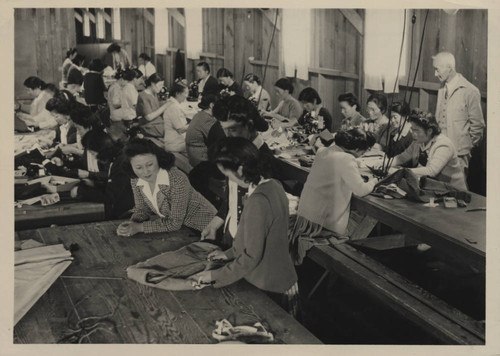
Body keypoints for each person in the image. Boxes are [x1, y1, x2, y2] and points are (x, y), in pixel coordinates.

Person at [189, 137, 300, 318]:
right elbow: (256, 238)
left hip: (269, 284)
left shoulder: (258, 201)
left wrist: (212, 276)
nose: (228, 179)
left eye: (228, 175)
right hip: (279, 276)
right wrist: (229, 254)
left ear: (240, 170)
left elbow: (250, 257)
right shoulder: (273, 185)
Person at [289, 129, 378, 265]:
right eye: (362, 152)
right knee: (362, 220)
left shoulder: (322, 151)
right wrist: (374, 181)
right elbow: (360, 190)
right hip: (322, 225)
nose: (361, 155)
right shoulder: (347, 159)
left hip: (305, 218)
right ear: (355, 149)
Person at [116, 138, 216, 236]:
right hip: (181, 229)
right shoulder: (135, 179)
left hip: (207, 229)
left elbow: (174, 223)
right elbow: (142, 209)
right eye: (139, 167)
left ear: (158, 159)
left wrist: (139, 227)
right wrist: (131, 224)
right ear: (130, 166)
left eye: (150, 164)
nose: (145, 172)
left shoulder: (177, 179)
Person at [432, 52, 485, 175]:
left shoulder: (470, 91)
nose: (435, 74)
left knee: (458, 190)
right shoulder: (442, 88)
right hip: (439, 149)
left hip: (459, 154)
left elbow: (478, 126)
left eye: (437, 69)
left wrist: (465, 148)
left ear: (449, 68)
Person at [389, 111, 467, 191]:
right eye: (412, 130)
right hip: (434, 188)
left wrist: (401, 172)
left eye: (417, 130)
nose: (413, 134)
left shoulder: (444, 145)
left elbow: (431, 171)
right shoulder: (419, 141)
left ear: (429, 131)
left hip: (453, 192)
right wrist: (385, 164)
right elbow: (401, 158)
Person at [70, 129, 134, 220]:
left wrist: (80, 191)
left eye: (92, 153)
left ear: (100, 149)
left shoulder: (121, 163)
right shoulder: (116, 158)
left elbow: (110, 197)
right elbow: (116, 185)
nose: (94, 158)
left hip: (127, 214)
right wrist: (95, 184)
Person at [185, 94, 225, 167]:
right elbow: (220, 140)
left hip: (193, 155)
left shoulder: (200, 114)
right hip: (200, 159)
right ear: (212, 105)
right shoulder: (207, 121)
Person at [136, 73, 169, 148]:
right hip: (148, 126)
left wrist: (168, 102)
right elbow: (149, 117)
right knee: (171, 130)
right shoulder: (143, 96)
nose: (161, 88)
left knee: (173, 126)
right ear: (152, 84)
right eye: (160, 85)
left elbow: (155, 106)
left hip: (157, 123)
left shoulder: (154, 93)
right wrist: (165, 106)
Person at [163, 83, 189, 153]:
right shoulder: (174, 107)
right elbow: (180, 130)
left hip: (175, 141)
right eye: (185, 93)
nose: (187, 96)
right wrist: (195, 124)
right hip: (175, 144)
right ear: (177, 94)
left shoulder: (172, 104)